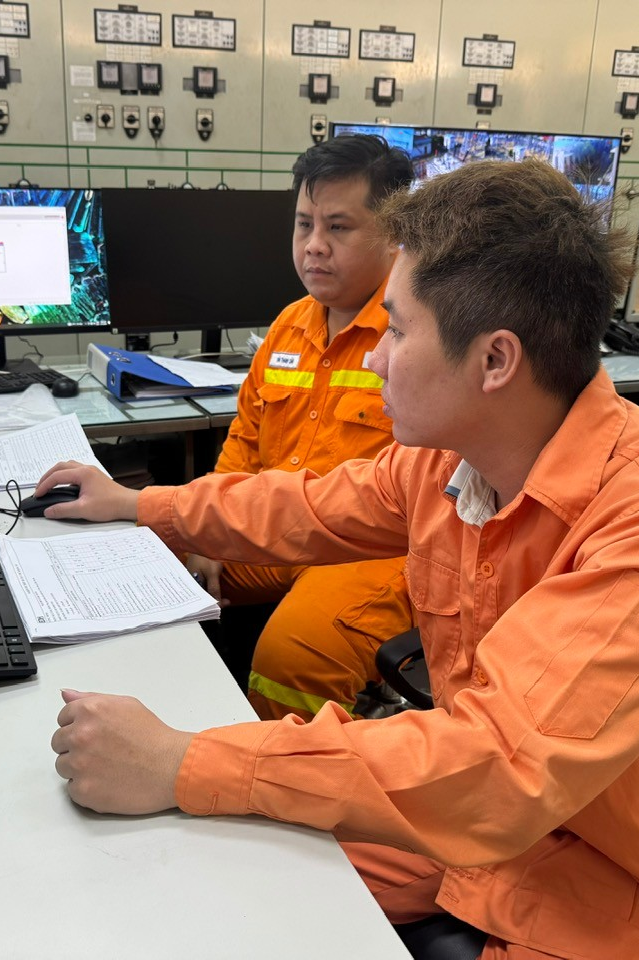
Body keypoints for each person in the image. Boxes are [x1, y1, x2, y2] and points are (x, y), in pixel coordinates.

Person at [41, 159, 639, 959]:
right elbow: (303, 507)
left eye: (399, 332)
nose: (376, 358)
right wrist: (140, 506)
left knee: (229, 833)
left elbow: (501, 769)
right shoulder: (455, 460)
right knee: (216, 870)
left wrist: (184, 760)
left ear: (495, 361)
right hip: (492, 824)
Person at [189, 133, 415, 722]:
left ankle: (283, 769)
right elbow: (243, 445)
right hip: (279, 530)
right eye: (303, 224)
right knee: (156, 565)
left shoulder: (417, 334)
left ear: (393, 233)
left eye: (338, 227)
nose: (314, 245)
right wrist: (205, 535)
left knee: (289, 658)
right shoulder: (289, 326)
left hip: (373, 549)